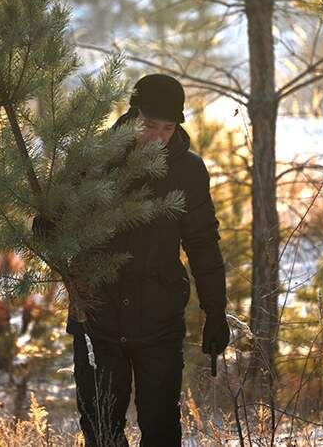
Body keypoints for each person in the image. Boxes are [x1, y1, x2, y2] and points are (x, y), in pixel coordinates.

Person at [61, 73, 230, 446]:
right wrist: (48, 221)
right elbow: (62, 212)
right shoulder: (94, 158)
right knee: (102, 433)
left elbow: (203, 243)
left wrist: (215, 309)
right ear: (132, 115)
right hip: (96, 318)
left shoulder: (187, 171)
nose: (157, 136)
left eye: (167, 128)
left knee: (162, 433)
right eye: (149, 125)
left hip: (159, 322)